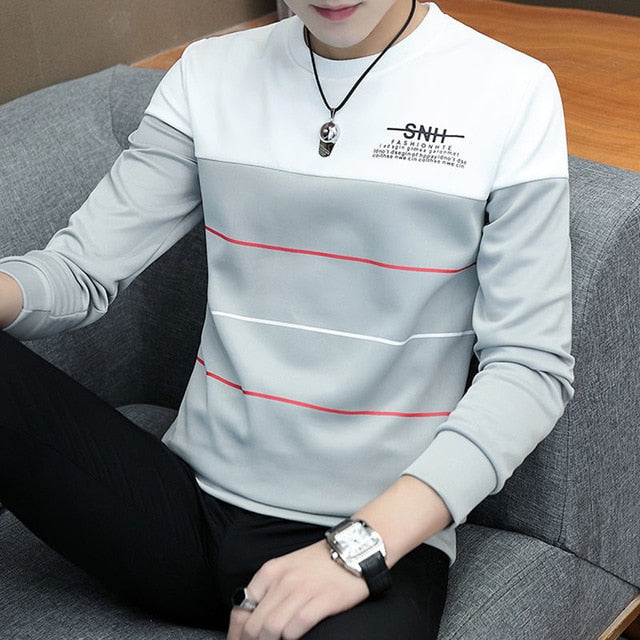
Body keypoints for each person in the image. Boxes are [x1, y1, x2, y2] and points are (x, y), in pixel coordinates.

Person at [0, 1, 574, 638]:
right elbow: (80, 271)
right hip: (180, 511)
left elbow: (529, 368)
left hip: (372, 534)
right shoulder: (208, 73)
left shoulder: (511, 90)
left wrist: (353, 551)